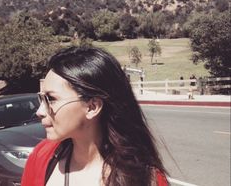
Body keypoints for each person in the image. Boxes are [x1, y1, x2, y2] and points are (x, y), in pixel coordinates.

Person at [21, 46, 169, 186]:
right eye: (41, 98)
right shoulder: (41, 156)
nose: (40, 111)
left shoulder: (144, 179)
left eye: (51, 99)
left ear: (92, 107)